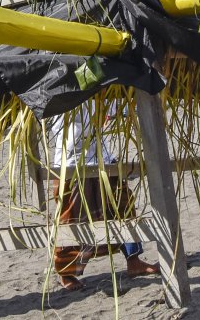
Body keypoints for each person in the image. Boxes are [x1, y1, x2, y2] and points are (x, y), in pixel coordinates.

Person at [47, 102, 160, 291]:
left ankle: (134, 260)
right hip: (71, 162)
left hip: (103, 158)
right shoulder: (60, 93)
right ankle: (65, 273)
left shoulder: (99, 92)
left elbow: (116, 107)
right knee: (73, 218)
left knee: (123, 206)